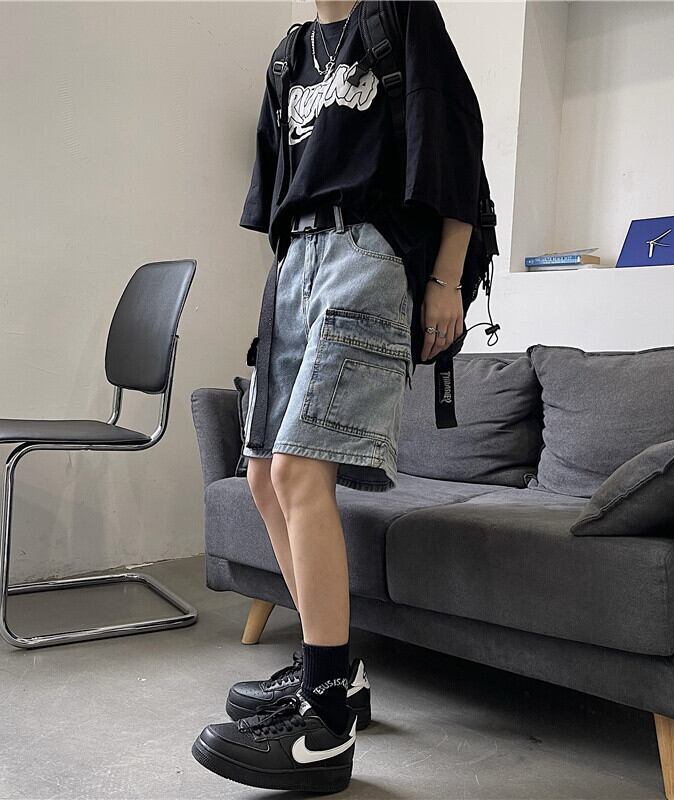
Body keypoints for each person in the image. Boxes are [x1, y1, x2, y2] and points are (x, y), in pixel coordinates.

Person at [191, 0, 484, 793]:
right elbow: (275, 194)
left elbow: (456, 146)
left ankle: (323, 724)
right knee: (262, 477)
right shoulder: (289, 56)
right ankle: (338, 673)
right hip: (294, 264)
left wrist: (446, 280)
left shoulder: (400, 16)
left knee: (297, 472)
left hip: (369, 255)